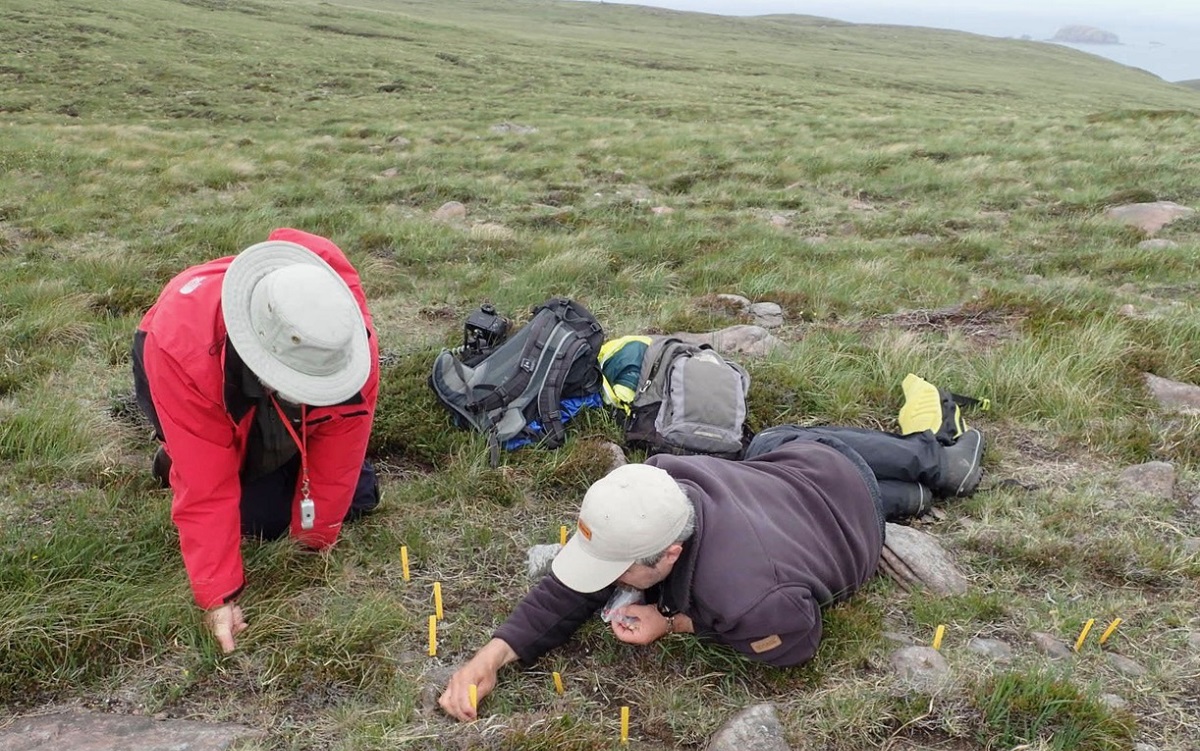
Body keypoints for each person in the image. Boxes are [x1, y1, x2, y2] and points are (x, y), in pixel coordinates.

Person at [438, 424, 984, 721]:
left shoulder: (748, 599)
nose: (602, 582)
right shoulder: (652, 485)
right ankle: (913, 493)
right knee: (769, 441)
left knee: (776, 441)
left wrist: (673, 622)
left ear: (669, 556)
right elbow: (566, 595)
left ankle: (935, 463)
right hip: (792, 478)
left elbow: (797, 641)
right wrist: (491, 657)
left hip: (845, 504)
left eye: (617, 570)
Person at [132, 228, 380, 653]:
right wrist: (219, 596)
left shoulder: (341, 341)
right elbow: (207, 489)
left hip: (266, 388)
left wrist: (314, 541)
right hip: (181, 368)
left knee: (360, 492)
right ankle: (172, 458)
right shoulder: (184, 349)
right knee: (256, 517)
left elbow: (341, 445)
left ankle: (261, 462)